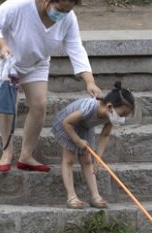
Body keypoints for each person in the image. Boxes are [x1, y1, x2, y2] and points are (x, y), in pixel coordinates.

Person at [0, 0, 101, 173]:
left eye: (67, 11)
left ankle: (26, 155)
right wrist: (2, 46)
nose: (62, 15)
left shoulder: (67, 18)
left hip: (37, 61)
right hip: (6, 57)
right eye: (59, 9)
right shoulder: (22, 2)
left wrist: (89, 81)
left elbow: (75, 47)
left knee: (39, 104)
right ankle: (6, 151)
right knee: (7, 102)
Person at [52, 81, 135, 209]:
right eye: (122, 114)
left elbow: (105, 136)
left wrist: (98, 157)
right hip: (69, 125)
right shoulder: (89, 107)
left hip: (85, 127)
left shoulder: (110, 116)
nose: (122, 118)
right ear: (109, 107)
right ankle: (71, 197)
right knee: (68, 159)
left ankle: (95, 196)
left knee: (87, 160)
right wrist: (78, 141)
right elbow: (66, 122)